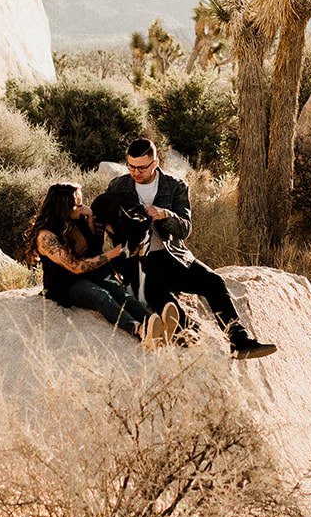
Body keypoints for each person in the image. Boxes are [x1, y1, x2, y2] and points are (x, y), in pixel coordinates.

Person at [106, 138, 278, 359]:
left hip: (172, 256)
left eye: (141, 167)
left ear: (155, 162)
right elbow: (105, 220)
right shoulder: (117, 186)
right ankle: (188, 333)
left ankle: (240, 341)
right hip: (138, 262)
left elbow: (185, 229)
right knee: (159, 295)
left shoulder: (175, 185)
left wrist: (164, 214)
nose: (135, 172)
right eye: (131, 166)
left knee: (214, 282)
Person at [23, 182, 178, 346]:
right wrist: (113, 253)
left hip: (91, 273)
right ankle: (140, 330)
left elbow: (93, 249)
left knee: (121, 294)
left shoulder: (77, 220)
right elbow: (76, 267)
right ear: (63, 207)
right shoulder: (46, 236)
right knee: (101, 296)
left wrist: (90, 220)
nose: (83, 207)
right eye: (78, 204)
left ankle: (158, 326)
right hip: (66, 283)